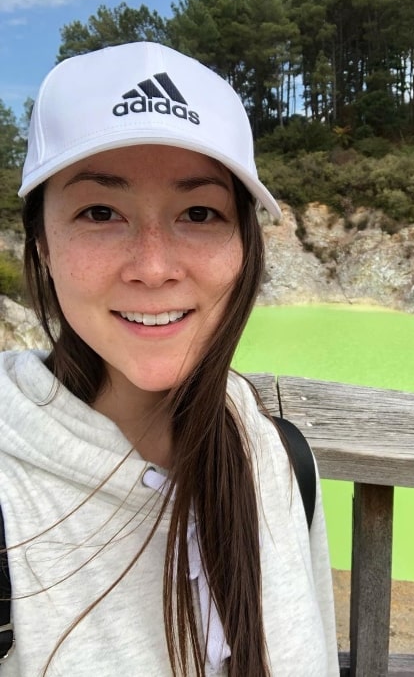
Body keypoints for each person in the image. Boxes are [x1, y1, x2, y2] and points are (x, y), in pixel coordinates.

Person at [0, 41, 339, 676]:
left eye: (199, 213)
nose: (154, 268)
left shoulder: (282, 460)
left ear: (244, 243)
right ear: (42, 242)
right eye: (101, 212)